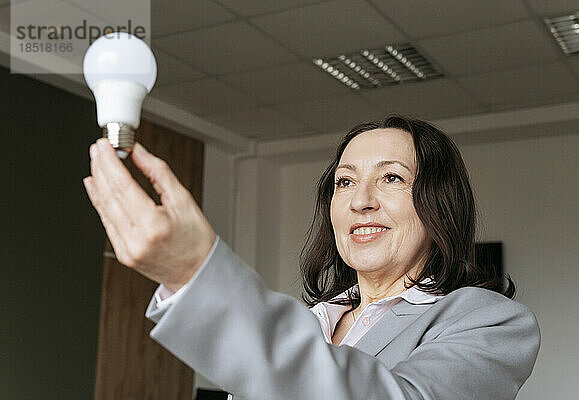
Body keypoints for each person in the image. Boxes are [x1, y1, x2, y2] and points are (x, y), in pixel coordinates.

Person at [83, 115, 541, 400]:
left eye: (392, 179)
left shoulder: (493, 324)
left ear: (439, 203)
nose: (361, 200)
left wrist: (193, 273)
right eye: (344, 182)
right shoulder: (312, 320)